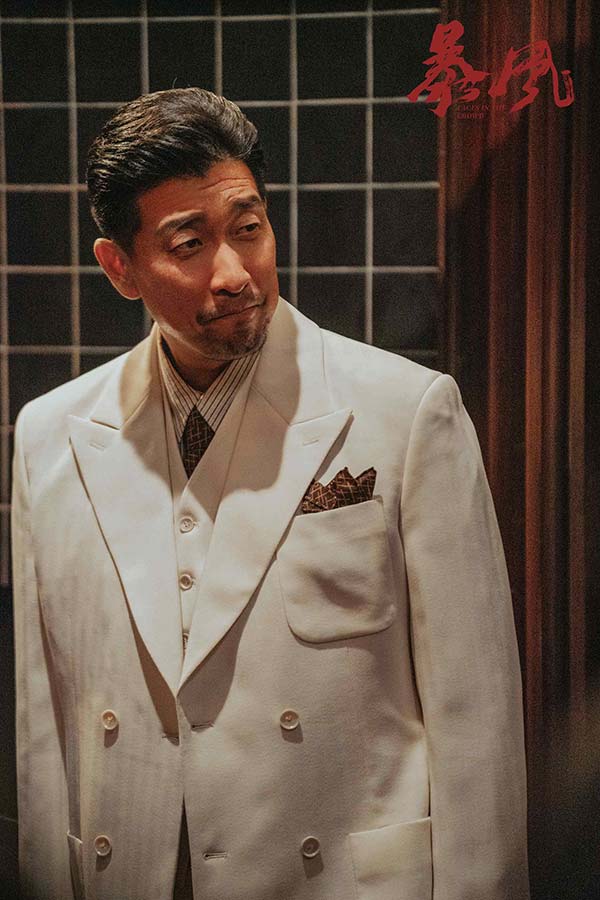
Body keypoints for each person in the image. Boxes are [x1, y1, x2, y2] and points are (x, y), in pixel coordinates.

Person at [11, 87, 530, 900]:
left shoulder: (406, 414)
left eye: (248, 227)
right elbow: (44, 724)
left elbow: (476, 720)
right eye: (189, 244)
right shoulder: (50, 436)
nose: (234, 273)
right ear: (119, 267)